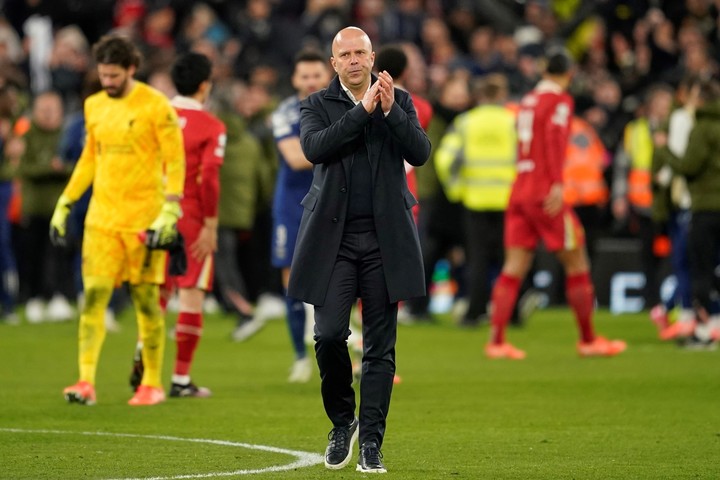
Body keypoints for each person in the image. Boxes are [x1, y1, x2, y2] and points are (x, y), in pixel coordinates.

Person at [288, 27, 430, 473]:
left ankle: (371, 441)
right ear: (334, 64)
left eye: (360, 53)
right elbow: (314, 149)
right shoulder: (314, 104)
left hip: (386, 237)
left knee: (380, 349)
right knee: (328, 335)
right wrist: (364, 112)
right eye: (344, 54)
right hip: (334, 238)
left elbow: (421, 153)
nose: (353, 60)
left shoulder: (399, 100)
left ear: (372, 58)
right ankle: (342, 421)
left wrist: (389, 112)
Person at [50, 35, 185, 406]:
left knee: (144, 300)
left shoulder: (156, 106)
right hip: (101, 220)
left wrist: (171, 209)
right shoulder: (93, 106)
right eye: (103, 74)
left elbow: (175, 160)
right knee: (93, 297)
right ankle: (85, 381)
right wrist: (66, 201)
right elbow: (90, 159)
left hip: (144, 220)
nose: (107, 82)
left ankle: (152, 383)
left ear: (131, 69)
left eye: (114, 75)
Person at [484, 48, 627, 360]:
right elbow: (553, 139)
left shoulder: (527, 101)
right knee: (577, 259)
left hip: (519, 188)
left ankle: (496, 342)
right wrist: (558, 183)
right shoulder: (560, 101)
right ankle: (588, 339)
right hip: (543, 190)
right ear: (569, 74)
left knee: (514, 266)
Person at [164, 51, 225, 397]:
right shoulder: (211, 126)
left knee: (154, 295)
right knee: (189, 294)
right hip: (190, 216)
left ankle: (143, 371)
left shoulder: (155, 117)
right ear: (205, 85)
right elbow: (209, 179)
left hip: (153, 212)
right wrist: (211, 224)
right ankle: (181, 379)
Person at [434, 73, 517, 327]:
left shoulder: (466, 122)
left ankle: (475, 312)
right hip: (508, 201)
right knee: (509, 260)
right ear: (501, 95)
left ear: (479, 96)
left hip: (475, 200)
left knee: (477, 260)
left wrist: (456, 190)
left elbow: (444, 160)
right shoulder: (513, 122)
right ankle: (510, 313)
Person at [270, 49, 331, 383]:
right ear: (295, 79)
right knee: (291, 281)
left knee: (340, 275)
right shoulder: (283, 112)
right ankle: (299, 357)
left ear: (327, 76)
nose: (310, 82)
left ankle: (345, 351)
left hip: (332, 200)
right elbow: (295, 158)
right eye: (304, 76)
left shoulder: (341, 108)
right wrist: (339, 143)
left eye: (316, 76)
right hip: (292, 202)